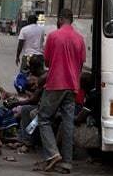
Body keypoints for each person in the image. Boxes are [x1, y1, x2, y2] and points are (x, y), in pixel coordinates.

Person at [35, 9, 85, 173]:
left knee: (43, 118)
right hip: (72, 86)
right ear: (71, 20)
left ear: (61, 19)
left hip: (56, 83)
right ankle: (67, 162)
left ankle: (52, 153)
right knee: (68, 123)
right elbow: (81, 62)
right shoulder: (79, 38)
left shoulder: (54, 36)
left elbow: (48, 62)